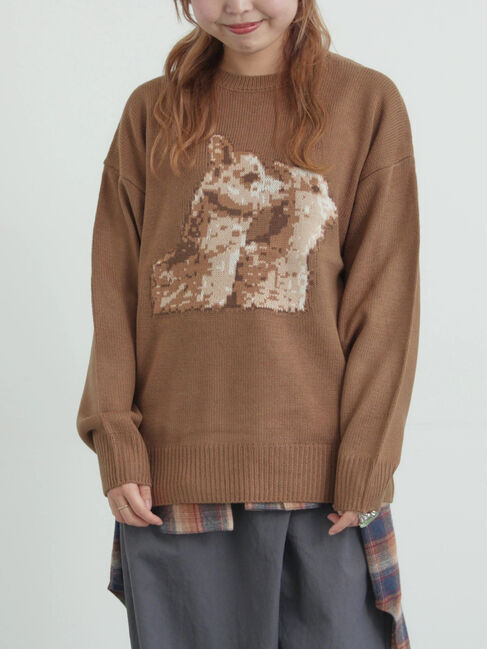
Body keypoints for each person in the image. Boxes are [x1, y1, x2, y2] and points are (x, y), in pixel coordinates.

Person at [76, 1, 420, 648]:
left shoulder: (366, 103)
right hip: (170, 484)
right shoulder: (151, 112)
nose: (236, 5)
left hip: (325, 488)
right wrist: (115, 436)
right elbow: (114, 289)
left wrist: (367, 461)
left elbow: (385, 300)